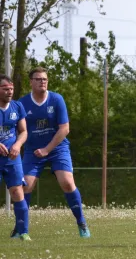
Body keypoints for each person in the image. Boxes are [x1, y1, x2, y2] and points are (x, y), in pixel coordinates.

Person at [18, 67, 90, 238]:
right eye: (38, 79)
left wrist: (47, 149)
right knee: (25, 186)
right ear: (31, 82)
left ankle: (82, 223)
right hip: (32, 150)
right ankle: (22, 230)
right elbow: (19, 129)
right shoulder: (22, 103)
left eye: (44, 79)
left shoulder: (57, 99)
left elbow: (64, 129)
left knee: (67, 182)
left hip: (57, 148)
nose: (42, 81)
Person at [0, 75, 31, 241]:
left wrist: (17, 145)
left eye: (11, 89)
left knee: (18, 191)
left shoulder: (17, 107)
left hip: (12, 158)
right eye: (5, 89)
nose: (9, 91)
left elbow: (24, 131)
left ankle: (23, 231)